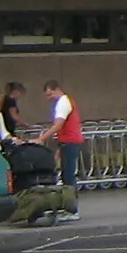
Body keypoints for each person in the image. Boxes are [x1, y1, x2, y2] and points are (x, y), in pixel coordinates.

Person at [40, 80, 85, 215]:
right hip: (68, 142)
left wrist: (41, 139)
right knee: (67, 175)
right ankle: (68, 207)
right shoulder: (66, 101)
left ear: (57, 89)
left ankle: (71, 210)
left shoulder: (63, 103)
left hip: (70, 142)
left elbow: (58, 125)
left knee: (69, 177)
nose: (49, 98)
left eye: (50, 94)